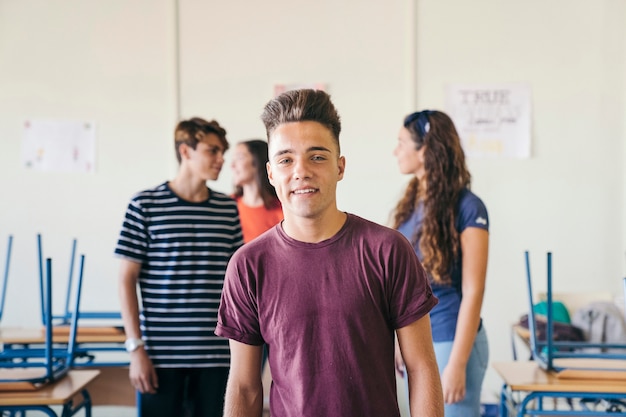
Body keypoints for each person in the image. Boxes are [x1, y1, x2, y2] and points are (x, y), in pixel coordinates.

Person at [215, 89, 444, 417]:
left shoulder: (387, 251)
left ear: (340, 167)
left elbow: (421, 368)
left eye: (317, 156)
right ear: (270, 173)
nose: (301, 171)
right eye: (286, 159)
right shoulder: (249, 266)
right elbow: (244, 386)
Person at [115, 117, 243, 417]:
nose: (221, 159)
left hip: (217, 356)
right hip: (160, 357)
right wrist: (135, 349)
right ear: (186, 152)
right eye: (212, 150)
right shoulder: (144, 204)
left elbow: (237, 281)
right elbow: (125, 279)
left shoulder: (227, 209)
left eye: (222, 151)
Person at [391, 110, 489, 417]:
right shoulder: (410, 205)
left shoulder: (468, 207)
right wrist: (397, 339)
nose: (395, 150)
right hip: (416, 338)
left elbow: (473, 291)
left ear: (425, 150)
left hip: (451, 339)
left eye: (401, 142)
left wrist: (458, 363)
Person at [230, 139, 283, 243]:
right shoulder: (227, 205)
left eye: (239, 158)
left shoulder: (282, 209)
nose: (232, 166)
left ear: (258, 161)